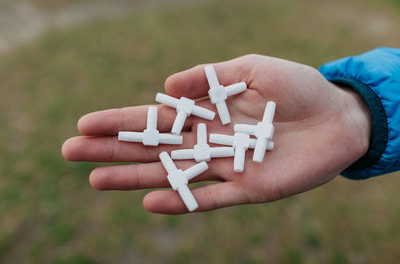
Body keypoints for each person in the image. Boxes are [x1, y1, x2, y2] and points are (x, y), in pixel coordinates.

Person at [61, 47, 400, 214]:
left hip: (219, 143)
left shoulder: (248, 133)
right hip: (210, 144)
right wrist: (358, 111)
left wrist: (351, 113)